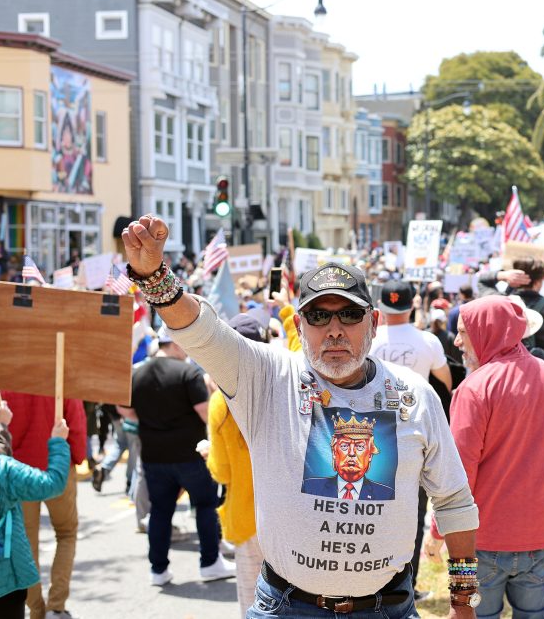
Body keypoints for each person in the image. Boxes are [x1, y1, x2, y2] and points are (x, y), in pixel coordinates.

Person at [120, 214, 479, 618]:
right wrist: (154, 276)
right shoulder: (265, 377)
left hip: (387, 608)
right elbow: (200, 331)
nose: (334, 330)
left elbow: (453, 500)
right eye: (319, 316)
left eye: (349, 314)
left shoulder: (415, 396)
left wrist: (463, 601)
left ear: (373, 323)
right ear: (300, 324)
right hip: (288, 607)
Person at [425, 295, 544, 619]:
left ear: (488, 331)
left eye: (464, 331)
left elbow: (458, 471)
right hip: (539, 535)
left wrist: (438, 530)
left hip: (480, 541)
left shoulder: (474, 389)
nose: (457, 340)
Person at [116, 328, 234, 586]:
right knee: (205, 504)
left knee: (160, 510)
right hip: (190, 455)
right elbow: (206, 413)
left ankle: (158, 570)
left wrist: (148, 419)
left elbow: (124, 409)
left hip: (154, 455)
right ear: (177, 345)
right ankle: (210, 562)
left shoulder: (138, 372)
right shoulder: (188, 373)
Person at [369, 278, 454, 600]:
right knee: (414, 513)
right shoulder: (428, 341)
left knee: (373, 508)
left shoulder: (371, 340)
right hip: (415, 432)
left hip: (375, 432)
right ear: (412, 304)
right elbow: (446, 380)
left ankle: (373, 578)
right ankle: (407, 585)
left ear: (380, 308)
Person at [0, 391, 86, 619]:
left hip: (17, 472)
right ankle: (56, 606)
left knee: (25, 544)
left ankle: (37, 611)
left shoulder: (3, 381)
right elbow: (77, 423)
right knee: (66, 533)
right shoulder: (60, 375)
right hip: (58, 465)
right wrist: (77, 458)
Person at [206, 314, 268, 617]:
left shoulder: (220, 403)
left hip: (245, 518)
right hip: (289, 517)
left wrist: (210, 454)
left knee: (252, 605)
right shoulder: (286, 392)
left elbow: (221, 472)